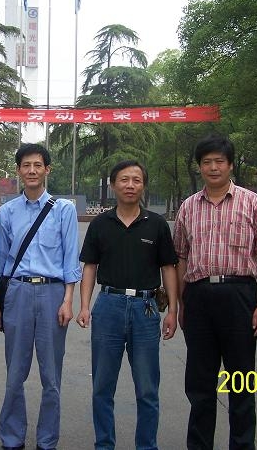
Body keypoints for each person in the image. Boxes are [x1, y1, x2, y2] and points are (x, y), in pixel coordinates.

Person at [173, 134, 257, 450]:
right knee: (200, 384)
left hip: (239, 296)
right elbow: (181, 258)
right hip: (198, 297)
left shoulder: (252, 202)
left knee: (241, 381)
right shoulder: (188, 207)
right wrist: (181, 303)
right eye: (207, 162)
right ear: (200, 167)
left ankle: (242, 445)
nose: (213, 167)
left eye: (219, 161)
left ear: (230, 165)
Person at [76, 160, 179, 450]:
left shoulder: (156, 224)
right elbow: (90, 267)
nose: (130, 185)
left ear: (143, 185)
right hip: (108, 305)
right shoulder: (100, 224)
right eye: (124, 180)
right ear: (113, 185)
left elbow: (168, 268)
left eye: (136, 180)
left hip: (145, 309)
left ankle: (147, 445)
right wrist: (84, 306)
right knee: (102, 386)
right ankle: (104, 444)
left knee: (147, 388)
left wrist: (173, 310)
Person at [0, 143, 81, 450]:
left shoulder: (64, 210)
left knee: (51, 376)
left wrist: (68, 300)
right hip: (17, 292)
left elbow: (70, 259)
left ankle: (47, 440)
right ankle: (12, 438)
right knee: (15, 373)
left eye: (37, 165)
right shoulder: (7, 211)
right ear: (18, 171)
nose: (31, 170)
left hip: (53, 293)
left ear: (47, 170)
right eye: (26, 165)